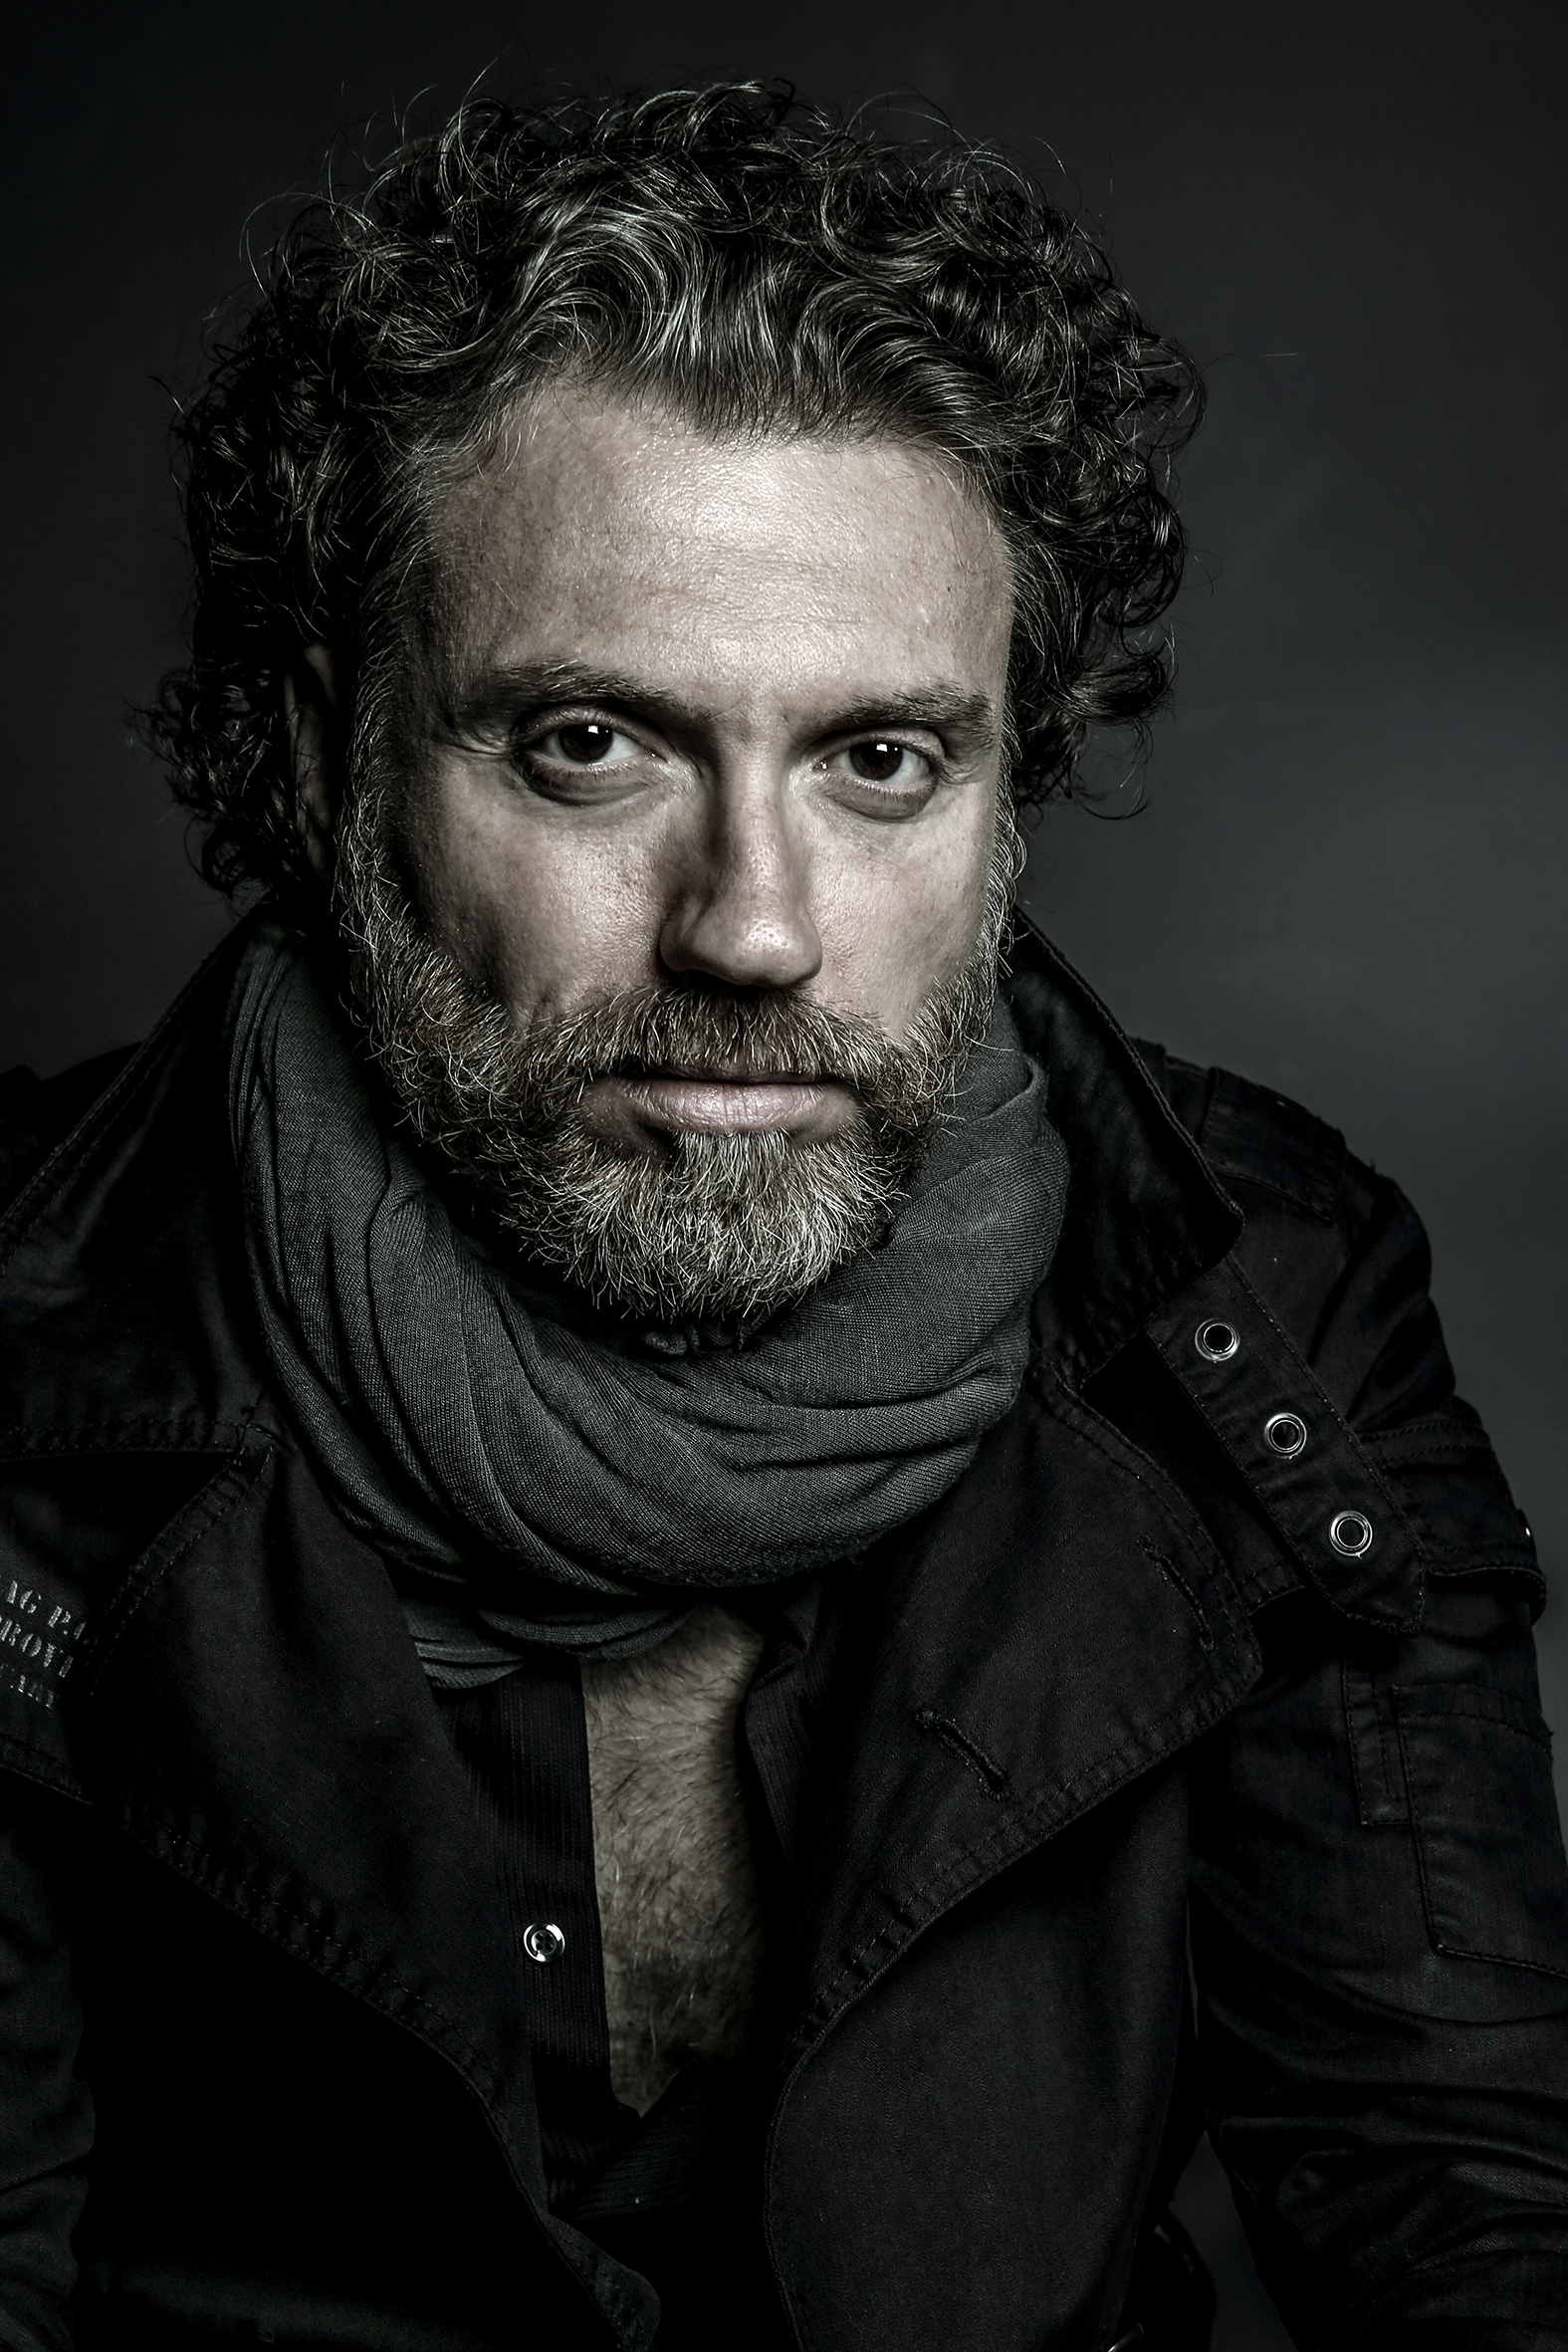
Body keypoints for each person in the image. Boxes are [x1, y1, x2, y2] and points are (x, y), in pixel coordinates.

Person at [0, 80, 1564, 2352]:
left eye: (876, 759)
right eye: (589, 744)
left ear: (1007, 784)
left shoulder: (1265, 1301)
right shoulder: (36, 1344)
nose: (752, 926)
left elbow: (1468, 2208)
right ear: (330, 753)